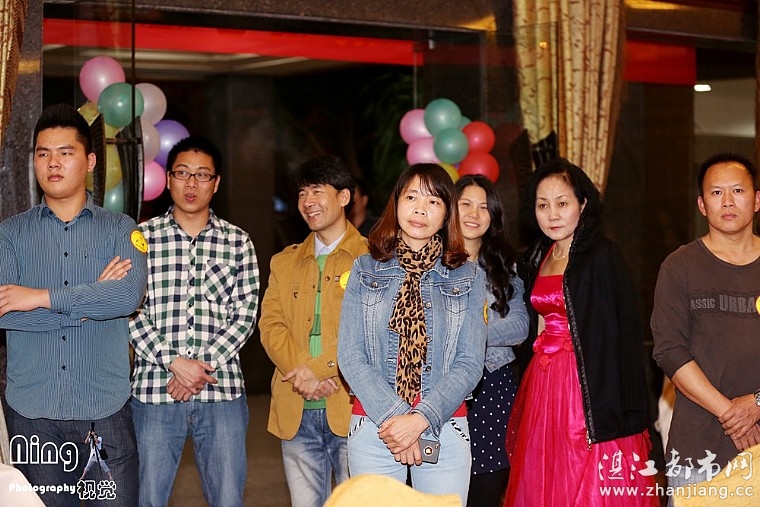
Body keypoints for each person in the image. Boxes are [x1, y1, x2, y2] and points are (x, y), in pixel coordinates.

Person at [0, 103, 147, 506]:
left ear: (90, 161)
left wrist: (39, 298)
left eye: (66, 152)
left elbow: (127, 297)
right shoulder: (9, 235)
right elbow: (6, 312)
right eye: (43, 153)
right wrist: (92, 298)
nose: (53, 163)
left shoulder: (121, 230)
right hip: (33, 415)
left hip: (104, 411)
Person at [504, 158, 656, 506]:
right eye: (543, 205)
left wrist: (625, 402)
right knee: (545, 474)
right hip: (544, 382)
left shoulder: (603, 255)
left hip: (589, 382)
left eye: (562, 203)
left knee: (588, 476)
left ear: (582, 204)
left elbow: (626, 333)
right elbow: (537, 322)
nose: (552, 215)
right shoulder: (538, 256)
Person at [337, 163, 488, 506]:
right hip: (375, 424)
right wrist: (397, 420)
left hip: (444, 424)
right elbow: (350, 355)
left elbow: (469, 362)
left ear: (446, 213)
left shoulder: (468, 276)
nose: (421, 209)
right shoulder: (365, 268)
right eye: (412, 197)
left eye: (434, 201)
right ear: (397, 203)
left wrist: (420, 419)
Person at [129, 136, 259, 507]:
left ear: (216, 184)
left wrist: (200, 367)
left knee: (227, 499)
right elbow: (130, 310)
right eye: (183, 173)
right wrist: (174, 362)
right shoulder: (141, 239)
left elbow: (245, 313)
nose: (191, 183)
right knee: (147, 498)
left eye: (202, 175)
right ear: (169, 178)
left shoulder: (238, 242)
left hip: (221, 392)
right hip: (155, 391)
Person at [259, 155, 368, 507]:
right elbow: (270, 325)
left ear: (344, 197)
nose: (308, 201)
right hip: (296, 406)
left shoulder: (373, 260)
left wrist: (320, 370)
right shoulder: (284, 261)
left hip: (353, 407)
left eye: (318, 191)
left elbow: (369, 330)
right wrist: (303, 373)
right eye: (303, 193)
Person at [651, 152, 760, 500]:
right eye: (716, 192)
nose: (727, 201)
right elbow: (670, 351)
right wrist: (732, 414)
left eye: (738, 191)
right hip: (699, 452)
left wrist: (757, 403)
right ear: (701, 205)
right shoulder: (679, 267)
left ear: (757, 200)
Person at [454, 175, 529, 507]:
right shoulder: (431, 264)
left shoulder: (503, 264)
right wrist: (487, 326)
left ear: (493, 215)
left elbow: (519, 327)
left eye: (483, 207)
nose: (474, 213)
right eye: (465, 204)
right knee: (443, 488)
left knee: (486, 489)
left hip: (494, 389)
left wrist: (462, 333)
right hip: (443, 391)